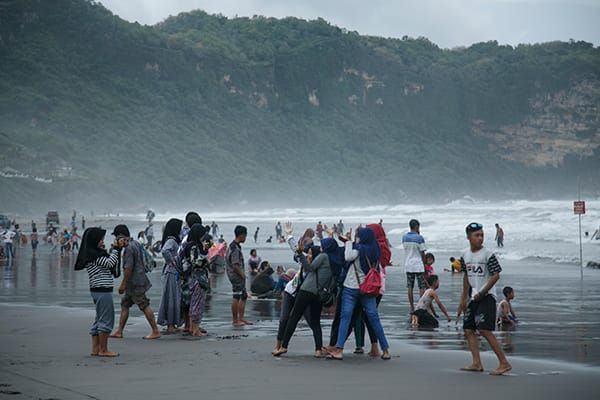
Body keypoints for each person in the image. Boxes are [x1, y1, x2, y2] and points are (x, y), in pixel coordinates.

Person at [328, 227, 391, 361]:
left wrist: (349, 242)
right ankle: (385, 350)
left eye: (359, 236)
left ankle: (339, 349)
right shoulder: (375, 250)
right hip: (368, 289)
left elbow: (347, 256)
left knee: (345, 317)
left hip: (351, 287)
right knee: (374, 319)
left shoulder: (359, 249)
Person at [459, 222, 512, 375]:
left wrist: (482, 293)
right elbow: (466, 276)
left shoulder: (488, 254)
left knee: (484, 330)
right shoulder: (464, 255)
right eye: (477, 235)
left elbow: (496, 275)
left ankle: (504, 362)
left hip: (487, 296)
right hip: (472, 296)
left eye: (482, 235)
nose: (480, 238)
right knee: (468, 329)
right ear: (468, 237)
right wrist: (463, 298)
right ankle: (476, 363)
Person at [273, 225, 332, 358]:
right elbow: (296, 250)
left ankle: (316, 348)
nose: (308, 255)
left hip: (304, 294)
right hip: (291, 292)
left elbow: (324, 251)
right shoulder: (306, 261)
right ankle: (279, 345)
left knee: (309, 321)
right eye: (308, 253)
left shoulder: (314, 265)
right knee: (285, 320)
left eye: (311, 253)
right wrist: (290, 236)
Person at [75, 227, 123, 357]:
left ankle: (95, 349)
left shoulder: (91, 254)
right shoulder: (95, 256)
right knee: (106, 319)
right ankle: (103, 349)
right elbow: (110, 263)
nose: (103, 241)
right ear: (94, 240)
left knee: (99, 318)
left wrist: (112, 250)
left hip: (97, 290)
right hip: (103, 290)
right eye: (101, 239)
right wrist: (116, 249)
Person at [110, 224, 161, 340]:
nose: (116, 241)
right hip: (138, 280)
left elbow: (128, 269)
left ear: (122, 237)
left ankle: (155, 331)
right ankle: (119, 331)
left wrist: (123, 284)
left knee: (144, 305)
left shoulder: (128, 249)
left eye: (117, 238)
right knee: (125, 305)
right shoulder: (136, 244)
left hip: (135, 283)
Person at [181, 224, 212, 337]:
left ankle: (192, 327)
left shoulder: (188, 245)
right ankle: (195, 329)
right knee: (197, 303)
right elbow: (196, 262)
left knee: (193, 303)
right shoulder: (194, 247)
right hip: (197, 278)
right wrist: (206, 253)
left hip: (190, 278)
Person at [158, 218, 184, 334]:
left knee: (172, 297)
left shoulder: (171, 240)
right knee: (171, 297)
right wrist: (171, 261)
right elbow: (164, 251)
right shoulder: (172, 240)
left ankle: (171, 323)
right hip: (172, 272)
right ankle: (170, 325)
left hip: (172, 272)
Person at [226, 225, 251, 326]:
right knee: (237, 296)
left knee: (243, 296)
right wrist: (242, 275)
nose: (245, 238)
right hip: (236, 275)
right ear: (241, 235)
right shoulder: (235, 248)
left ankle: (241, 318)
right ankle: (235, 320)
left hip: (236, 274)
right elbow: (235, 265)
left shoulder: (234, 246)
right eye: (245, 236)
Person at [402, 219, 427, 313]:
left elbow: (406, 249)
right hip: (418, 264)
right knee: (421, 286)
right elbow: (422, 252)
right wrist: (425, 263)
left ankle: (412, 307)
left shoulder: (404, 237)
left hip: (408, 264)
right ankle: (421, 307)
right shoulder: (419, 238)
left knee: (410, 287)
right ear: (416, 226)